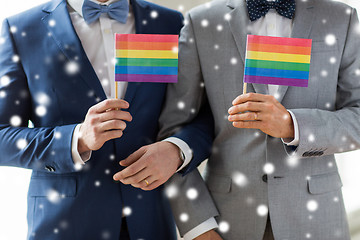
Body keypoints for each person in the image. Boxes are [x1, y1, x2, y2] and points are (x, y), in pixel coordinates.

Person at [114, 0, 360, 239]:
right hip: (226, 222)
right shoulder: (201, 22)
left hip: (318, 220)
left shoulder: (342, 17)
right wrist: (198, 228)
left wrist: (291, 124)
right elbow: (173, 130)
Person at [0, 0, 214, 239]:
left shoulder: (168, 23)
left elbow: (205, 115)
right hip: (65, 225)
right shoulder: (21, 29)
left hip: (150, 221)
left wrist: (177, 150)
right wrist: (76, 139)